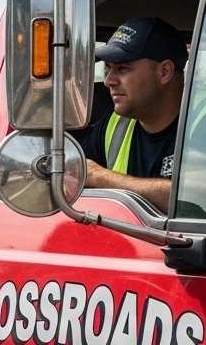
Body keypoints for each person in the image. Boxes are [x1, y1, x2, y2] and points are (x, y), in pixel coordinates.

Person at [75, 16, 190, 211]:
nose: (108, 81)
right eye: (108, 69)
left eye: (122, 68)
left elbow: (200, 202)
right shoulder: (115, 124)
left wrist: (99, 177)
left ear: (164, 72)